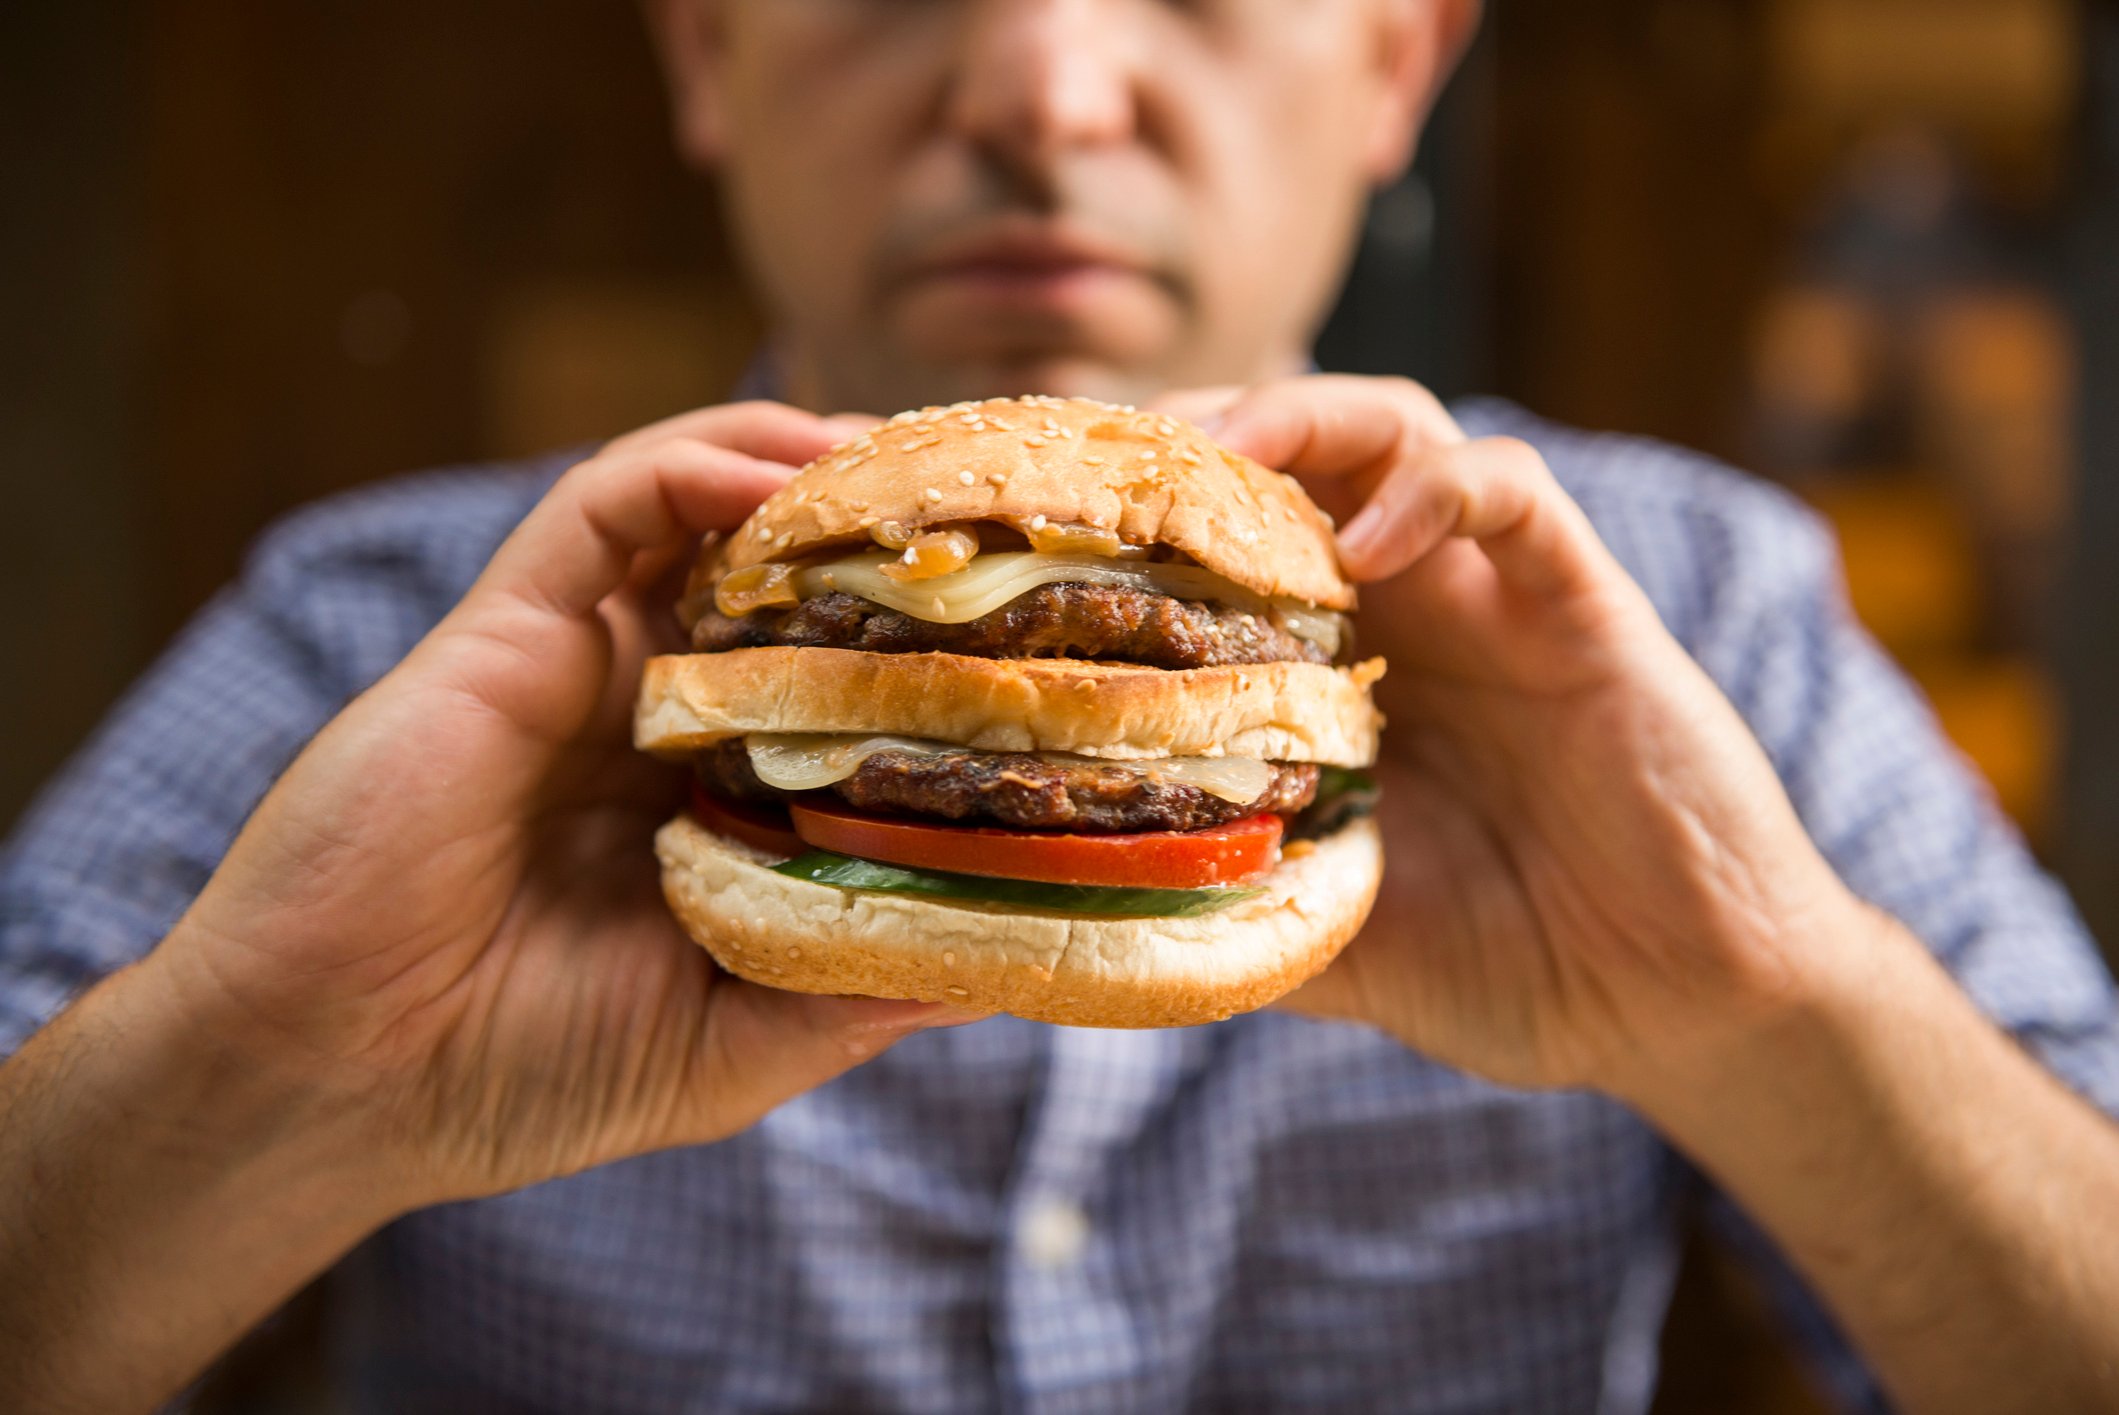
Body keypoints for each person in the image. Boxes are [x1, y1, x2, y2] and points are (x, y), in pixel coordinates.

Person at [3, 1, 2116, 1410]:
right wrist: (277, 1071)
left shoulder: (1696, 613)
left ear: (1396, 62)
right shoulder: (378, 631)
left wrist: (1763, 1010)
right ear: (708, 52)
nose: (1040, 91)